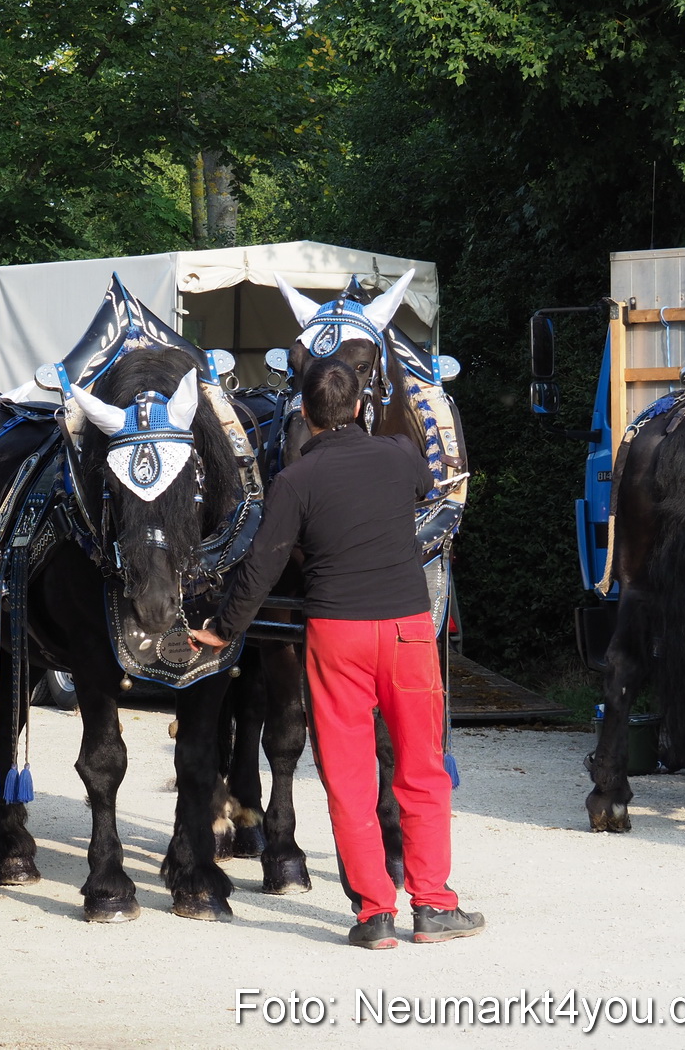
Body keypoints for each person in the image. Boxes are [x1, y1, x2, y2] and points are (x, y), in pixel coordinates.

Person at [190, 356, 484, 949]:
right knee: (420, 769)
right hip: (405, 631)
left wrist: (224, 628)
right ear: (358, 408)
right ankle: (432, 905)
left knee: (347, 777)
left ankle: (374, 914)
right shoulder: (400, 455)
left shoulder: (293, 481)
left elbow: (263, 566)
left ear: (303, 411)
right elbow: (429, 490)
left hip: (337, 635)